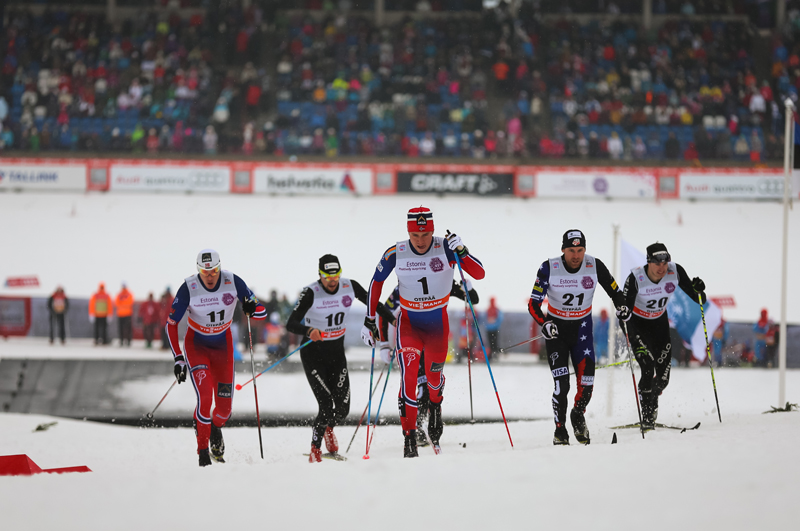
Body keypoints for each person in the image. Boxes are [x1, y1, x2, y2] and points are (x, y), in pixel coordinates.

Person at [362, 207, 485, 457]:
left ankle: (436, 413)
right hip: (408, 326)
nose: (420, 240)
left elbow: (479, 274)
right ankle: (408, 437)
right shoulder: (396, 252)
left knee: (433, 381)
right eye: (415, 235)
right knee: (409, 379)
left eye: (426, 234)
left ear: (433, 230)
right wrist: (369, 320)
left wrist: (462, 251)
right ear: (408, 232)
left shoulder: (447, 247)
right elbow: (376, 283)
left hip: (437, 328)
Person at [286, 254, 394, 463]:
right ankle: (315, 449)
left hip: (336, 355)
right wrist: (309, 331)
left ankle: (328, 427)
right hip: (313, 355)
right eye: (328, 277)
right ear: (320, 275)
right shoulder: (311, 292)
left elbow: (372, 302)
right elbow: (291, 323)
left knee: (343, 409)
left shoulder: (349, 286)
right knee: (326, 405)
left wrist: (392, 319)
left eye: (336, 275)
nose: (333, 281)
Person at [166, 249, 266, 467]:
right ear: (198, 270)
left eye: (214, 271)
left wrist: (251, 307)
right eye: (205, 271)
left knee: (224, 410)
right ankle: (202, 452)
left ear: (220, 268)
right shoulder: (189, 287)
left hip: (223, 347)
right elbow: (171, 324)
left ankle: (214, 427)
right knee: (204, 398)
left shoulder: (232, 281)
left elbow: (261, 311)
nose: (210, 276)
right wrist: (179, 359)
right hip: (197, 346)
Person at [528, 230, 627, 445]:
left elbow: (615, 291)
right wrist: (544, 323)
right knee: (561, 386)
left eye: (580, 250)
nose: (576, 255)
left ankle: (578, 414)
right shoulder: (549, 267)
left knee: (587, 384)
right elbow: (533, 303)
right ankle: (560, 430)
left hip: (582, 332)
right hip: (557, 334)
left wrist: (622, 308)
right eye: (571, 250)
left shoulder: (594, 265)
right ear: (562, 249)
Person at [377, 279, 478, 447]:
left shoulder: (443, 280)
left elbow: (472, 300)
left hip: (434, 339)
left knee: (431, 386)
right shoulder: (405, 283)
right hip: (411, 339)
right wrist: (384, 344)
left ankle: (426, 420)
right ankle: (416, 426)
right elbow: (384, 312)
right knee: (418, 387)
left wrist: (468, 289)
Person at [621, 242, 706, 430]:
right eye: (657, 263)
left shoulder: (675, 271)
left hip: (659, 325)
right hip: (638, 326)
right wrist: (630, 334)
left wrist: (700, 290)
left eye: (665, 262)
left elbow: (698, 299)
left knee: (663, 379)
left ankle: (651, 398)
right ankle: (648, 414)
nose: (662, 268)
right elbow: (623, 312)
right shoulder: (636, 278)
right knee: (647, 366)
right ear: (649, 262)